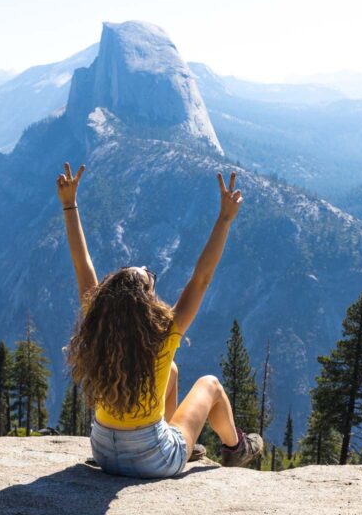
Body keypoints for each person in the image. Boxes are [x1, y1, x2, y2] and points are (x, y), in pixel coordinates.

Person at [56, 161, 263, 479]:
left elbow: (81, 264)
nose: (151, 274)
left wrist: (69, 205)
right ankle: (237, 448)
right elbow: (202, 278)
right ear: (145, 302)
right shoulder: (163, 334)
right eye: (149, 278)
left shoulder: (97, 324)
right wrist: (224, 218)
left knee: (173, 371)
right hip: (153, 461)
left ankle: (175, 436)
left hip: (104, 453)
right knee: (210, 384)